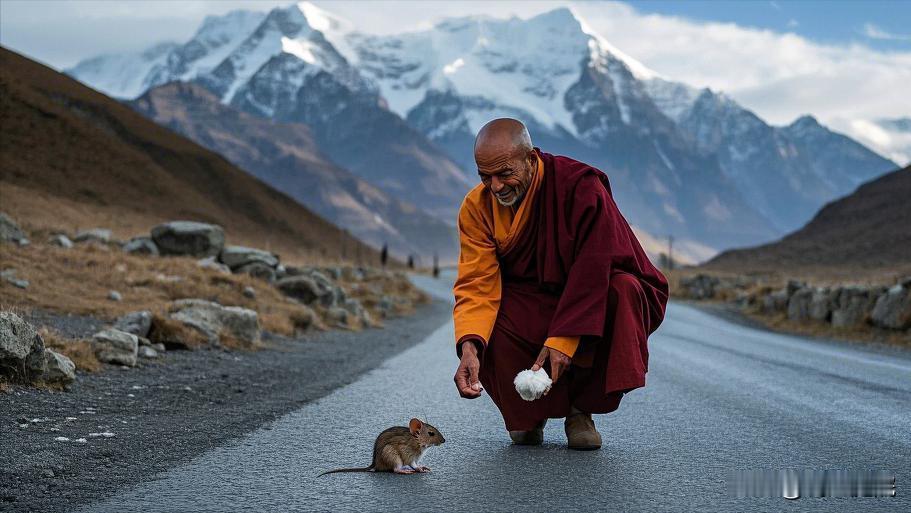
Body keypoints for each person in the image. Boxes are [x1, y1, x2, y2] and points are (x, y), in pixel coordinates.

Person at [452, 118, 669, 450]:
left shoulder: (579, 187)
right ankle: (527, 414)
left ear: (530, 158)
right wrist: (469, 348)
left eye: (504, 174)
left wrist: (564, 338)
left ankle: (580, 412)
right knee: (488, 321)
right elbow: (477, 283)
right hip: (529, 301)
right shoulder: (476, 207)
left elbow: (595, 265)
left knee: (623, 290)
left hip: (586, 295)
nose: (495, 187)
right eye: (485, 176)